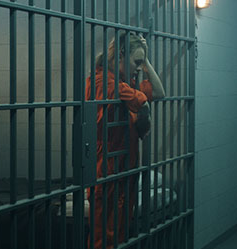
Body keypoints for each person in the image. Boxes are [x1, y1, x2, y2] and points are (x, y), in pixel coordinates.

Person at [85, 32, 165, 249]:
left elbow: (158, 92)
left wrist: (145, 59)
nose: (139, 68)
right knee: (104, 238)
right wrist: (144, 117)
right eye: (136, 62)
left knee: (120, 234)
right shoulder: (101, 81)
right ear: (120, 55)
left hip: (124, 168)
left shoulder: (126, 82)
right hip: (107, 170)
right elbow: (142, 103)